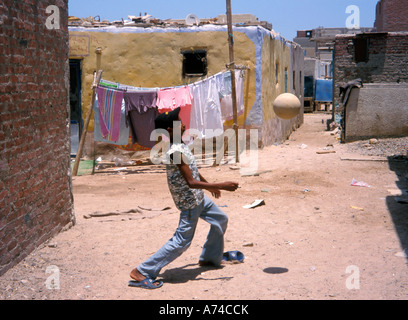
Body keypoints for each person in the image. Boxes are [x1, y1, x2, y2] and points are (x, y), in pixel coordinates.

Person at [129, 107, 239, 289]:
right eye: (180, 122)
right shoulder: (175, 152)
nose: (185, 124)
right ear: (171, 129)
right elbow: (190, 182)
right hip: (189, 203)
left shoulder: (182, 146)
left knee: (220, 218)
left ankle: (209, 258)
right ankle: (142, 270)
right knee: (181, 242)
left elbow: (194, 172)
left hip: (199, 198)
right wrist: (220, 185)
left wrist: (209, 185)